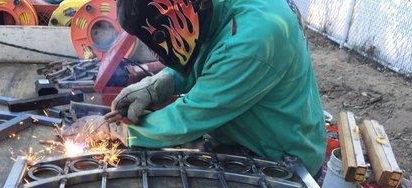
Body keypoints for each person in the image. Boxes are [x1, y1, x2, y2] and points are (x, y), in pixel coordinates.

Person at [105, 0, 326, 174]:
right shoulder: (209, 8)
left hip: (279, 156)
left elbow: (191, 116)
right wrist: (157, 85)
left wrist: (121, 131)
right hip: (245, 136)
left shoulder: (254, 37)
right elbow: (205, 52)